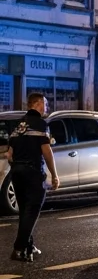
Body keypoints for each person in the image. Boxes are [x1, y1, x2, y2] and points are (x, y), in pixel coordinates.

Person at [6, 92, 59, 262]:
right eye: (45, 103)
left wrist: (17, 167)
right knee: (32, 210)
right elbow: (46, 151)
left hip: (16, 172)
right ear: (37, 104)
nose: (47, 107)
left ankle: (28, 246)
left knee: (24, 211)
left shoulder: (17, 126)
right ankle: (19, 248)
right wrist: (54, 175)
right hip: (33, 172)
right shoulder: (41, 124)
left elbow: (9, 155)